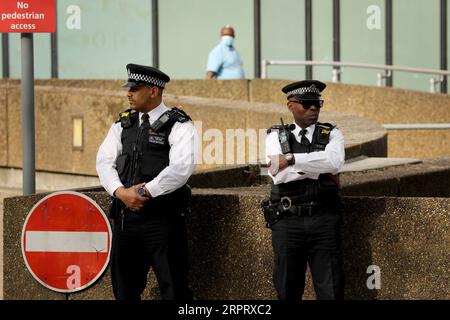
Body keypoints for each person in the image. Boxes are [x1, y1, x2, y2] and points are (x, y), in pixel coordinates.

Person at [96, 63, 199, 300]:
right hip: (126, 222)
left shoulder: (180, 125)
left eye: (135, 88)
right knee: (124, 291)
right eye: (128, 88)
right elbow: (104, 161)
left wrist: (144, 191)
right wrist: (120, 192)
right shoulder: (123, 124)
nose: (128, 93)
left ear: (153, 91)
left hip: (163, 221)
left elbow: (181, 168)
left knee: (175, 290)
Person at [263, 80, 345, 300]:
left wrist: (290, 159)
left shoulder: (332, 134)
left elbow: (334, 162)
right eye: (307, 104)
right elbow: (277, 175)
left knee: (332, 290)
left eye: (318, 104)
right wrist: (318, 168)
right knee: (287, 289)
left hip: (324, 220)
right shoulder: (275, 136)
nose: (313, 109)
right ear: (291, 106)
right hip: (288, 222)